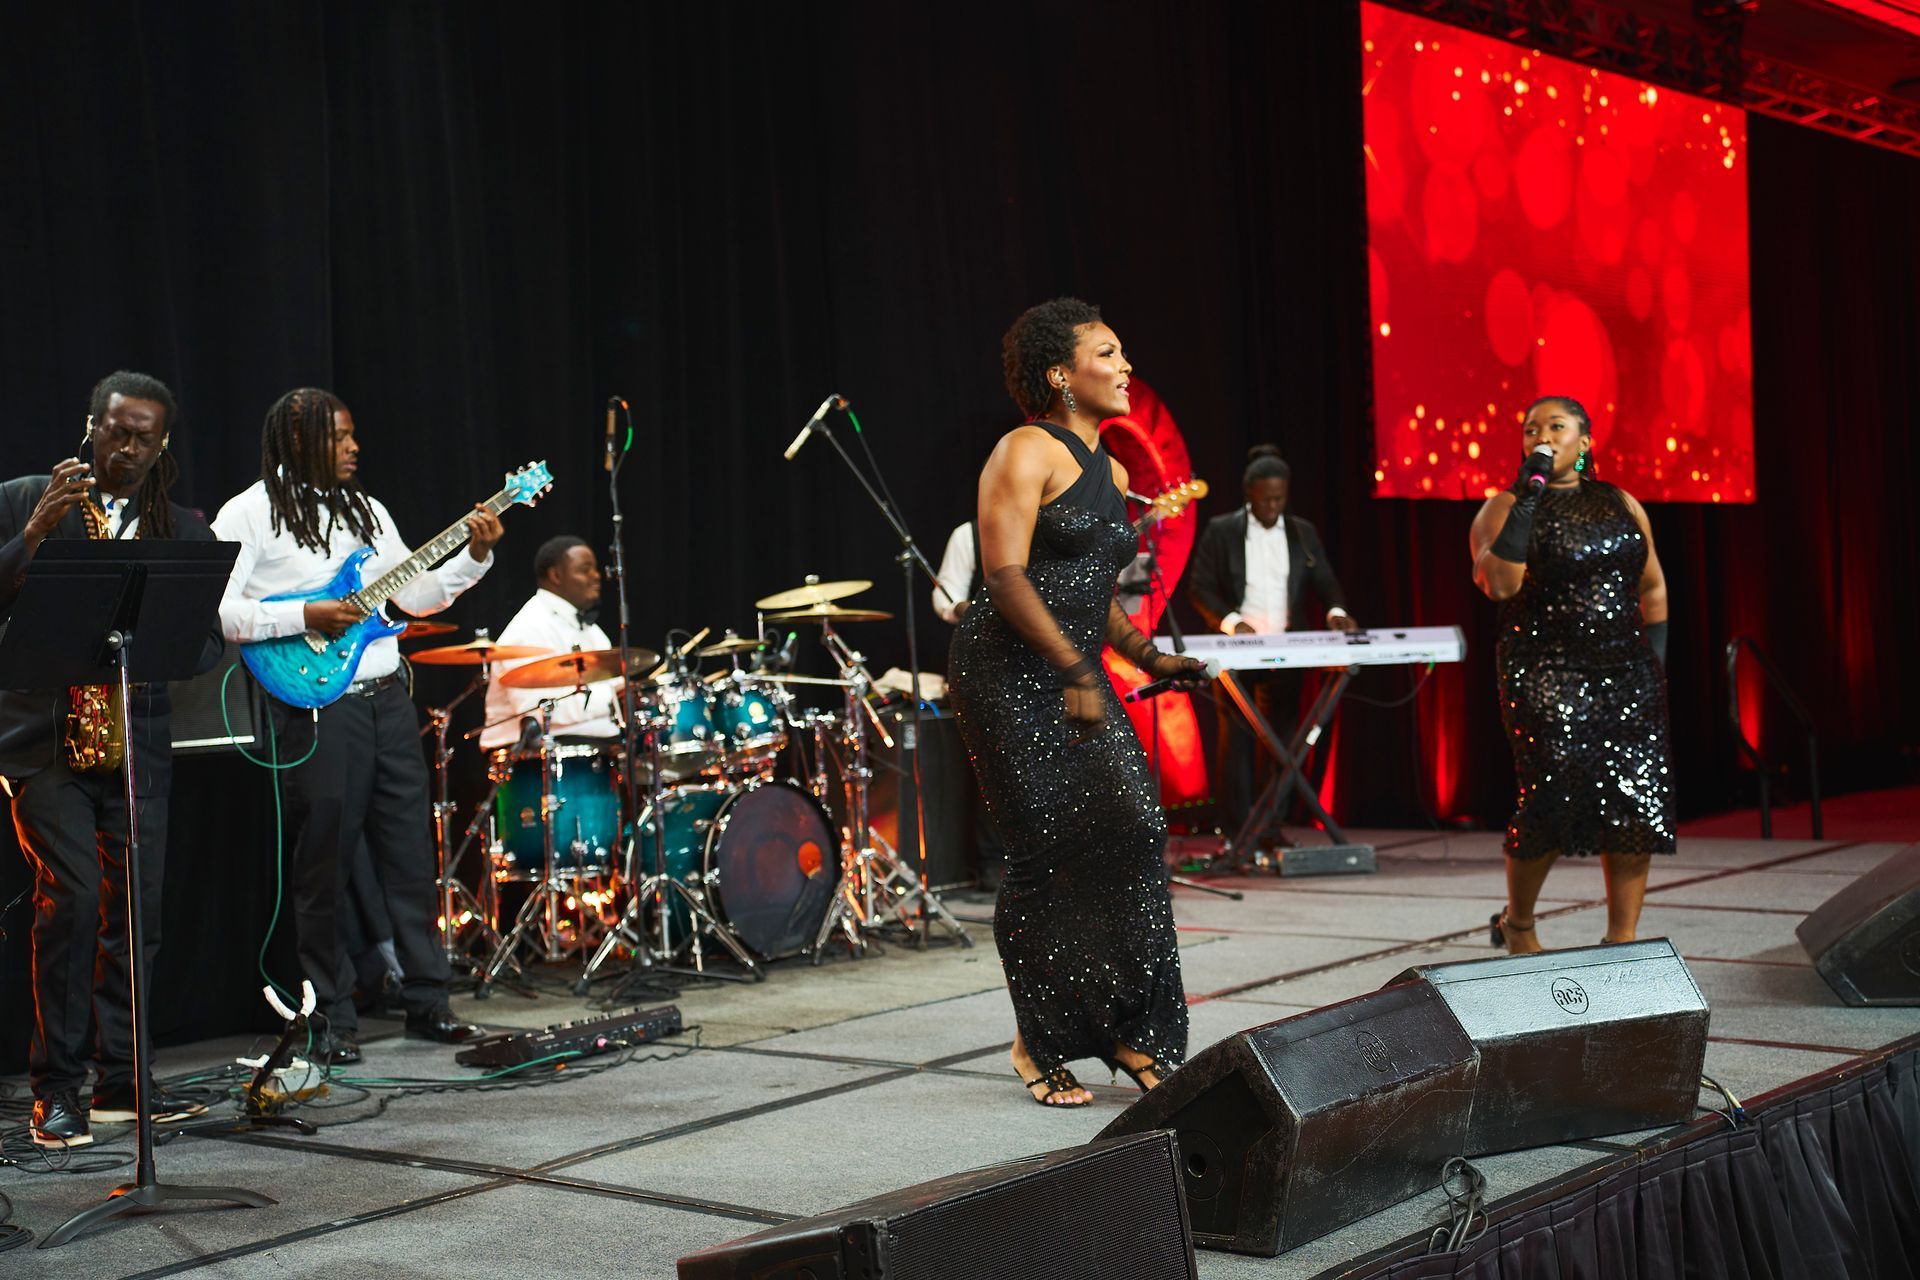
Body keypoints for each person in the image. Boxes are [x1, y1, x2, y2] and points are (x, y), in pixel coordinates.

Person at [948, 297, 1207, 1108]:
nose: (1126, 367)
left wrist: (1152, 657)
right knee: (1043, 852)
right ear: (1061, 374)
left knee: (1137, 827)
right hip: (1005, 669)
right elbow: (1004, 577)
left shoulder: (1116, 473)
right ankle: (1037, 1041)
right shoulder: (1024, 449)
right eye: (1108, 353)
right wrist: (1076, 670)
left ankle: (1134, 1029)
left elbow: (1095, 595)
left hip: (1073, 669)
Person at [213, 387, 500, 1063]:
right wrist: (304, 616)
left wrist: (473, 556)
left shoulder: (366, 510)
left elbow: (414, 595)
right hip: (316, 704)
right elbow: (218, 611)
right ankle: (330, 1016)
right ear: (298, 441)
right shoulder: (247, 513)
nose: (354, 447)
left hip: (386, 698)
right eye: (339, 436)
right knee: (325, 862)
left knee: (410, 855)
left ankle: (428, 999)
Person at [0, 372, 218, 1148]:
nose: (127, 447)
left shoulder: (180, 528)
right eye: (115, 431)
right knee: (73, 903)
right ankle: (57, 1090)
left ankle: (125, 1080)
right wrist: (34, 534)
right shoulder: (27, 498)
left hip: (134, 743)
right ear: (91, 427)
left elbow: (204, 642)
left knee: (135, 916)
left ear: (163, 445)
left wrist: (155, 634)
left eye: (143, 437)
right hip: (44, 741)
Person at [1469, 395, 1675, 953]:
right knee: (1552, 796)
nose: (1542, 435)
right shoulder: (1502, 507)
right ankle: (1519, 924)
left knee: (1634, 801)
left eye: (1556, 426)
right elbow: (1500, 585)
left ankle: (1622, 940)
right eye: (1531, 428)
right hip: (1545, 672)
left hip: (1629, 673)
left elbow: (1653, 586)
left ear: (1583, 441)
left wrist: (1653, 665)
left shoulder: (1621, 503)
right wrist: (1528, 499)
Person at [1188, 445, 1356, 846]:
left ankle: (1269, 827)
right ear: (1250, 494)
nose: (1272, 506)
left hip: (1286, 649)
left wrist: (1335, 611)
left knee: (1281, 739)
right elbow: (1200, 588)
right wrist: (1233, 622)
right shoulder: (1222, 531)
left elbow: (1325, 581)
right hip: (1236, 651)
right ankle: (1236, 831)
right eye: (1265, 499)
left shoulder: (1302, 533)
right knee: (1236, 741)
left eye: (1279, 499)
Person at [481, 535, 621, 752]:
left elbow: (614, 686)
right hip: (534, 757)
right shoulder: (529, 628)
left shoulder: (593, 632)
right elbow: (539, 711)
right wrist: (613, 698)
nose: (596, 576)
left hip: (595, 749)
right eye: (585, 570)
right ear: (556, 575)